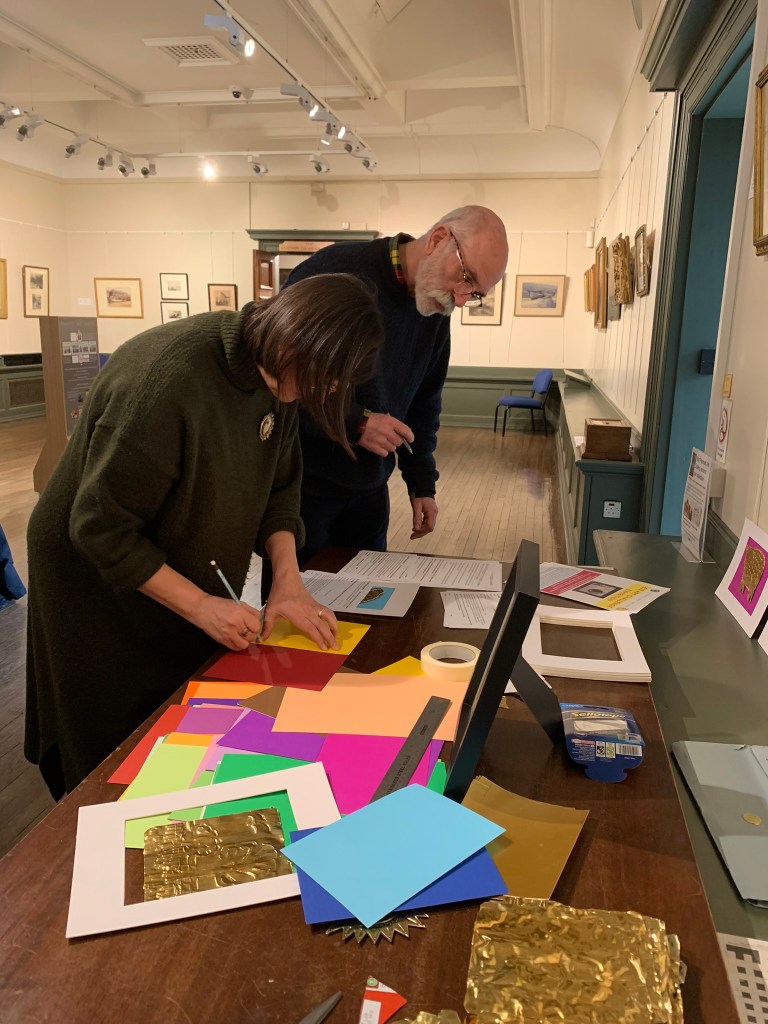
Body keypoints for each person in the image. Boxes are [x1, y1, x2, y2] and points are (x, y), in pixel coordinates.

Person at [24, 274, 383, 799]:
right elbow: (100, 528)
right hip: (94, 583)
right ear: (293, 340)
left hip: (168, 553)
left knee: (176, 727)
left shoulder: (279, 372)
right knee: (109, 758)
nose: (320, 394)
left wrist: (288, 582)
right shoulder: (167, 380)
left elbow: (281, 488)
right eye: (322, 380)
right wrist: (200, 606)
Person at [284, 205, 508, 564]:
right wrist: (356, 423)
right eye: (466, 277)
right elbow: (278, 381)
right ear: (438, 239)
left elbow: (424, 403)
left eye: (475, 293)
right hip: (302, 492)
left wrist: (422, 484)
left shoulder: (434, 309)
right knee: (293, 598)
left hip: (369, 493)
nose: (462, 299)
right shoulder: (333, 271)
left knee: (368, 596)